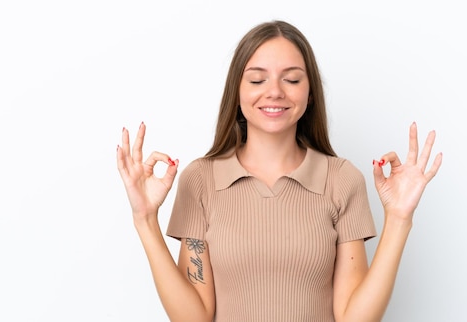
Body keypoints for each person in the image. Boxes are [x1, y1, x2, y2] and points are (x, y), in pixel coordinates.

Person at [116, 20, 442, 322]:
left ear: (310, 92)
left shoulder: (342, 179)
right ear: (238, 91)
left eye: (292, 79)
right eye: (258, 79)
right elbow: (194, 317)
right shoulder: (201, 180)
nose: (275, 91)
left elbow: (354, 318)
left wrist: (399, 218)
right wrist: (144, 219)